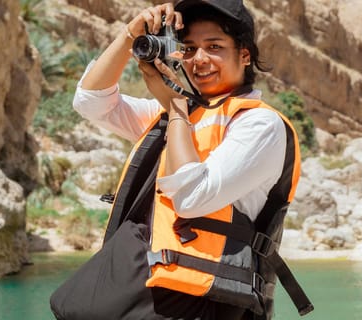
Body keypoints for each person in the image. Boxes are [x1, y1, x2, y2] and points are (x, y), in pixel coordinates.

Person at [52, 0, 311, 319]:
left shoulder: (259, 124)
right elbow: (91, 102)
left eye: (214, 46)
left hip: (209, 304)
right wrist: (129, 36)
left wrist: (176, 110)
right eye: (188, 49)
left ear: (245, 54)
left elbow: (192, 198)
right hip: (156, 296)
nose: (199, 60)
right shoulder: (179, 113)